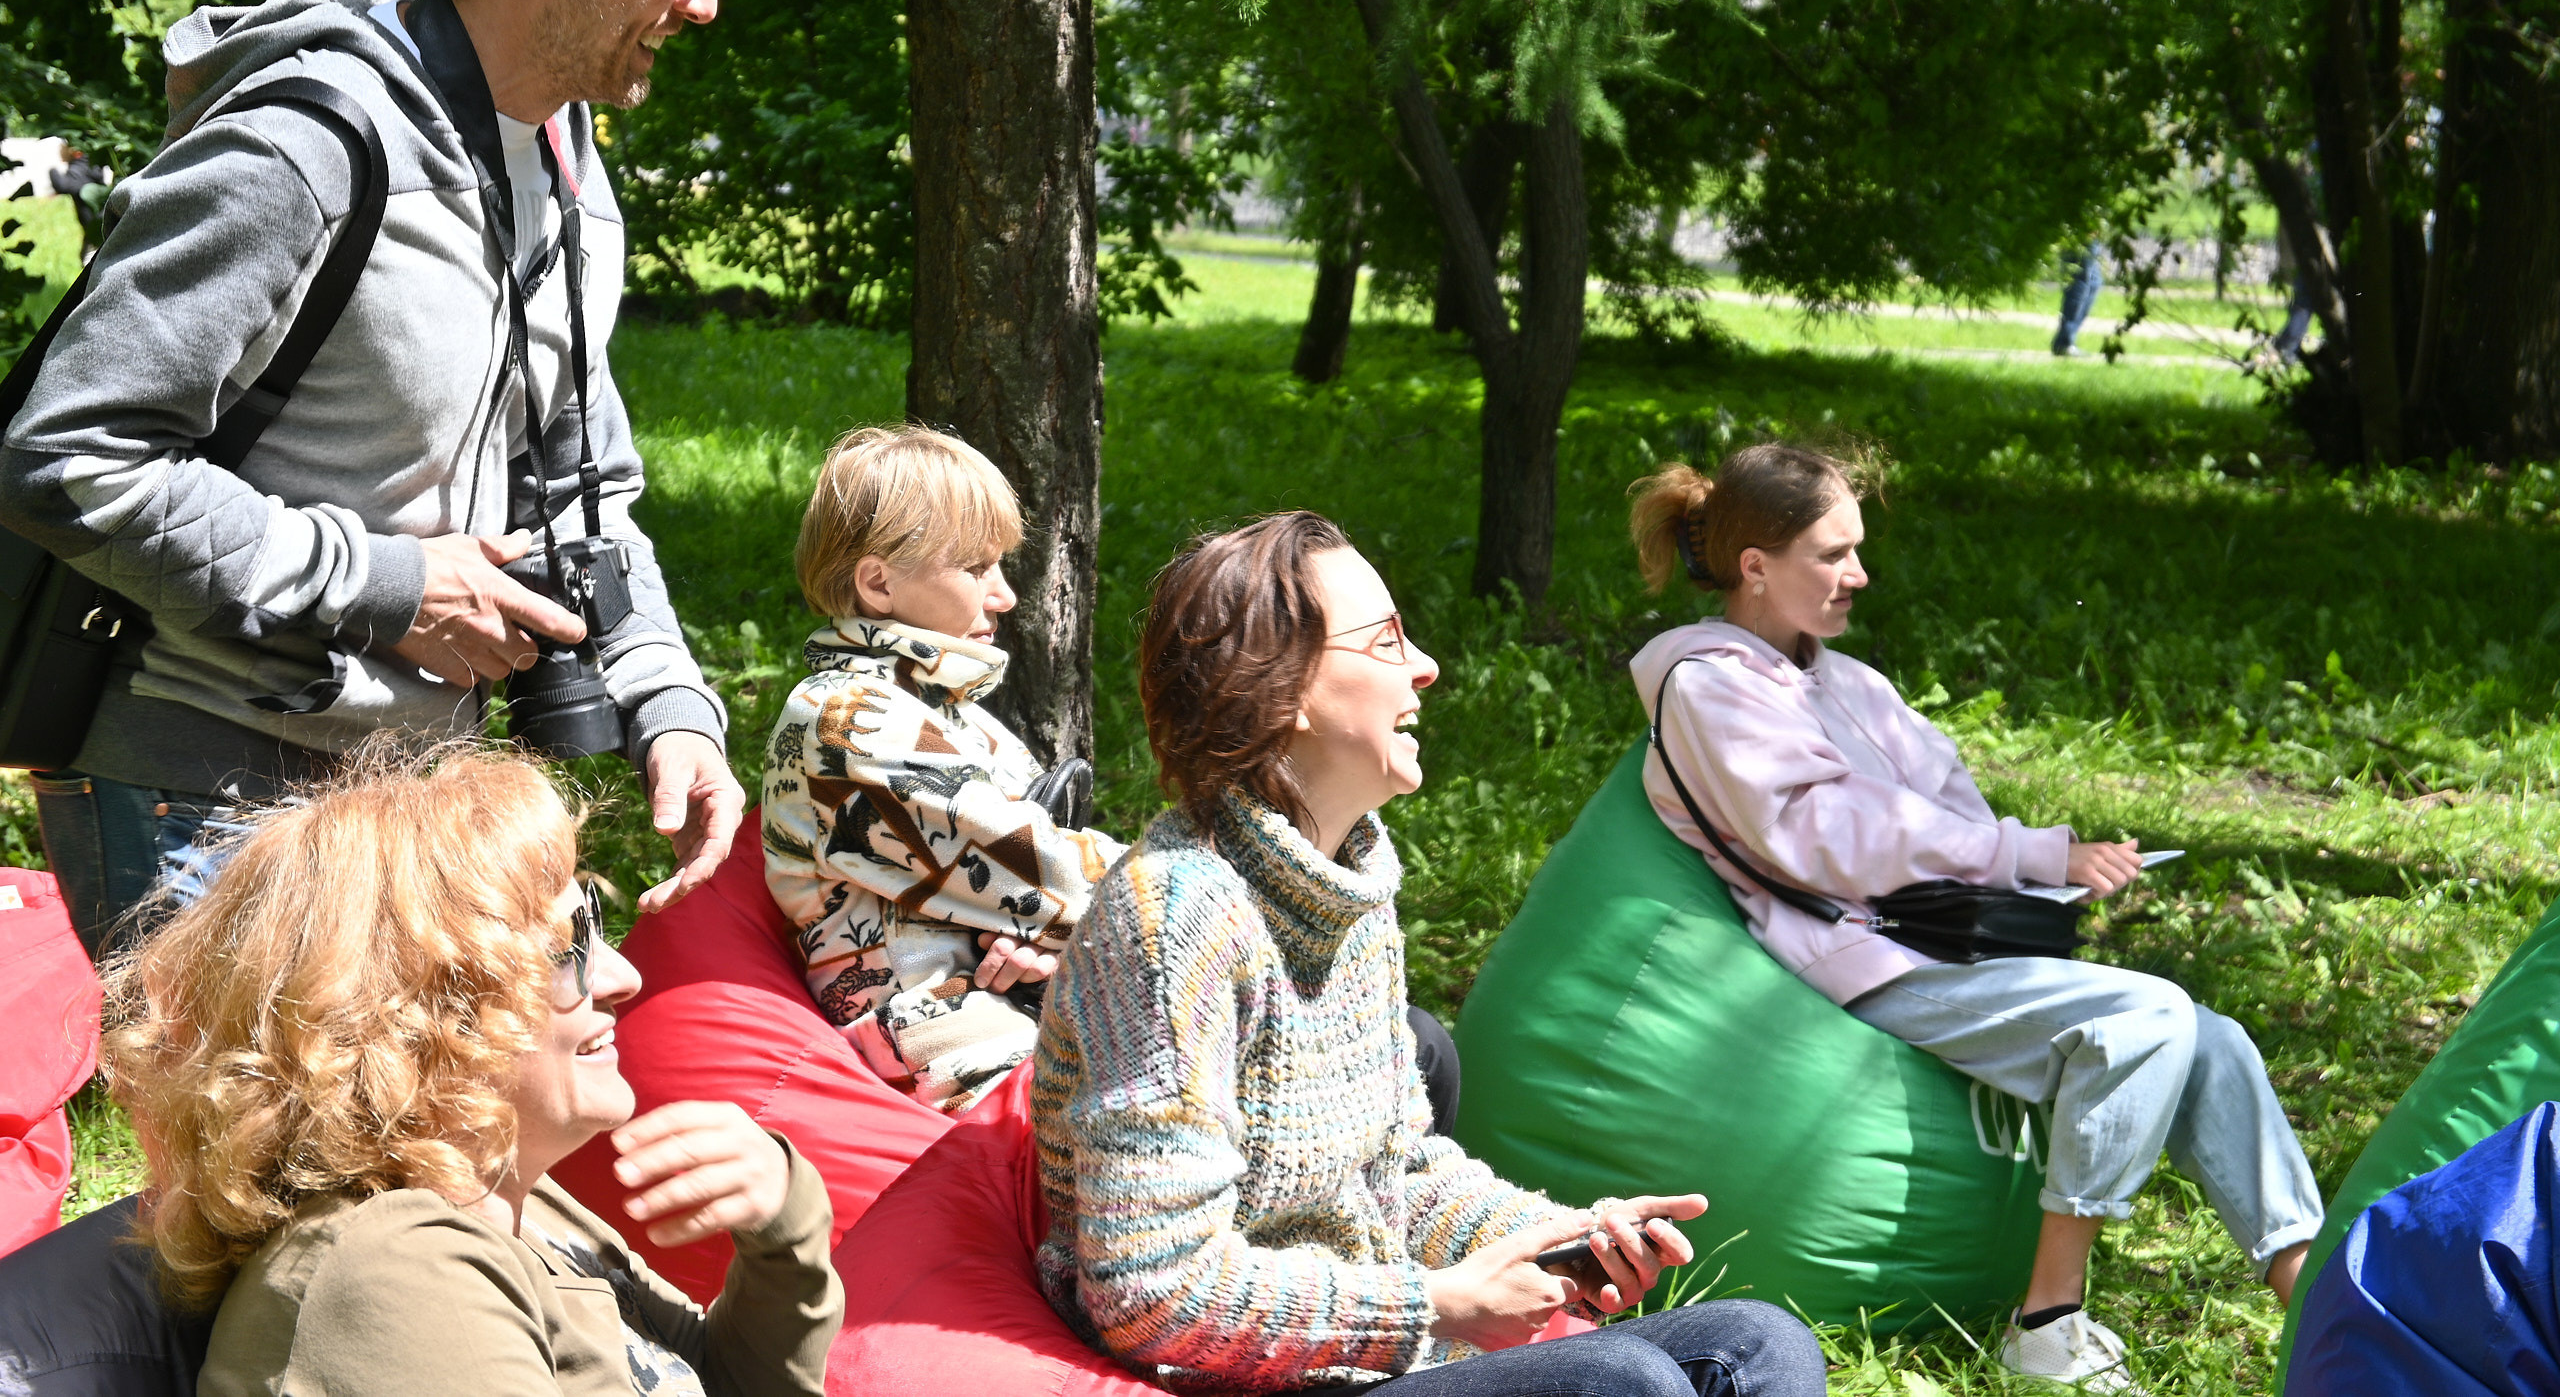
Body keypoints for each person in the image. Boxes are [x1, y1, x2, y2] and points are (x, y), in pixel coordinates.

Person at [0, 0, 742, 959]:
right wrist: (389, 587)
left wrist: (666, 698)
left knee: (431, 1157)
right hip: (204, 794)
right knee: (268, 1163)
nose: (704, 1)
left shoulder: (566, 158)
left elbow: (581, 476)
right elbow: (69, 454)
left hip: (411, 794)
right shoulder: (305, 145)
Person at [1030, 511, 1828, 1396]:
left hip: (1360, 1356)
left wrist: (1559, 1239)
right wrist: (1434, 1303)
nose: (1426, 666)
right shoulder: (1172, 919)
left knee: (1763, 1343)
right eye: (1386, 642)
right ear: (1282, 687)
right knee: (1626, 1384)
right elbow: (1152, 1291)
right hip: (1235, 1381)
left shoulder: (1348, 887)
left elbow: (1401, 1175)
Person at [1626, 445, 2322, 1390]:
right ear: (1756, 566)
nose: (1859, 575)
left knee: (2215, 1037)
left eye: (1858, 549)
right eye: (1833, 554)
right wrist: (2034, 853)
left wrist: (2038, 882)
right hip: (1866, 961)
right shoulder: (1706, 686)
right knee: (2147, 1016)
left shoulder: (1852, 684)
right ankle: (2049, 1320)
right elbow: (1827, 836)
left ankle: (2320, 1300)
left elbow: (1949, 805)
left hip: (1938, 937)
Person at [100, 742, 843, 1397]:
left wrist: (782, 1221)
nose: (621, 976)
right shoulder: (392, 1273)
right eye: (565, 947)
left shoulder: (512, 1199)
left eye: (593, 923)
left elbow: (724, 1381)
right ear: (404, 1017)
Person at [760, 425, 1120, 1112]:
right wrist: (1213, 884)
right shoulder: (848, 723)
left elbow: (1035, 903)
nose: (1004, 595)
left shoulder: (941, 708)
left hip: (999, 1016)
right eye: (977, 568)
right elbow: (1050, 872)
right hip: (948, 1054)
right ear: (878, 582)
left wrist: (1042, 950)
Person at [2052, 244, 2104, 355]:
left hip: (2090, 234)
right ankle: (2065, 342)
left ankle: (2065, 339)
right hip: (2083, 234)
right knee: (2080, 279)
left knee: (2094, 281)